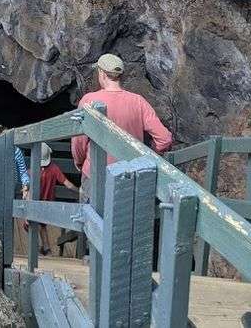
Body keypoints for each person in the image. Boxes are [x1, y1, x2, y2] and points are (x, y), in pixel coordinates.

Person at [71, 53, 173, 201]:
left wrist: (79, 161)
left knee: (91, 215)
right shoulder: (138, 101)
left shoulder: (89, 100)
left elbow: (79, 140)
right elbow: (164, 139)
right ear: (121, 75)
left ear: (101, 73)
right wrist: (148, 156)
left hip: (96, 174)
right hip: (130, 176)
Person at [21, 142, 79, 256]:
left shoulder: (32, 170)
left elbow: (26, 187)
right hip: (47, 202)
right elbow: (68, 184)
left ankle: (39, 248)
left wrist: (24, 193)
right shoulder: (54, 168)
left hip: (34, 202)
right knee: (41, 225)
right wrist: (79, 191)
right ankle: (46, 249)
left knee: (31, 224)